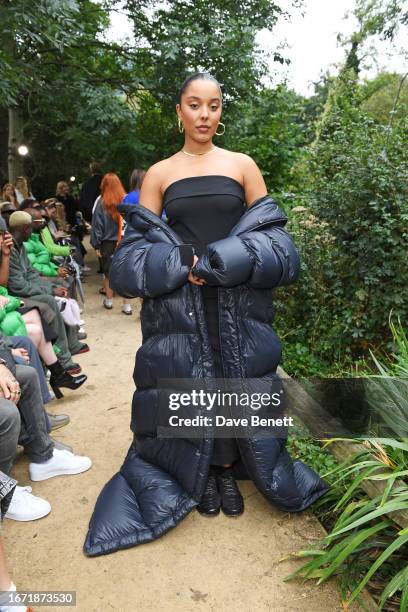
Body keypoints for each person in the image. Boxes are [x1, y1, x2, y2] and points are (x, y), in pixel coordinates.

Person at [84, 72, 328, 557]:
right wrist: (179, 265)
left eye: (213, 105)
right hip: (181, 304)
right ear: (179, 111)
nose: (204, 115)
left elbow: (276, 241)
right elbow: (133, 255)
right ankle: (208, 475)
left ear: (220, 111)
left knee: (236, 377)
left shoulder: (243, 165)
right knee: (196, 381)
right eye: (195, 105)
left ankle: (231, 469)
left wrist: (230, 261)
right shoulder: (158, 174)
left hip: (237, 297)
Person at [5, 212, 88, 371]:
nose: (33, 232)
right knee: (49, 300)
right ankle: (63, 359)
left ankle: (70, 343)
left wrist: (51, 288)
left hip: (23, 290)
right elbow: (18, 286)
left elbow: (31, 274)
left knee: (59, 289)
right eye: (30, 228)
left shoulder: (20, 246)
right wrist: (50, 290)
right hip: (14, 296)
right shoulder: (11, 249)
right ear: (25, 228)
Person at [91, 173, 132, 314]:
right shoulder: (126, 201)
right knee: (125, 272)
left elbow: (98, 225)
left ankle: (109, 301)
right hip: (125, 241)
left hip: (107, 243)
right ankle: (127, 306)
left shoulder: (102, 203)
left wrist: (96, 244)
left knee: (108, 273)